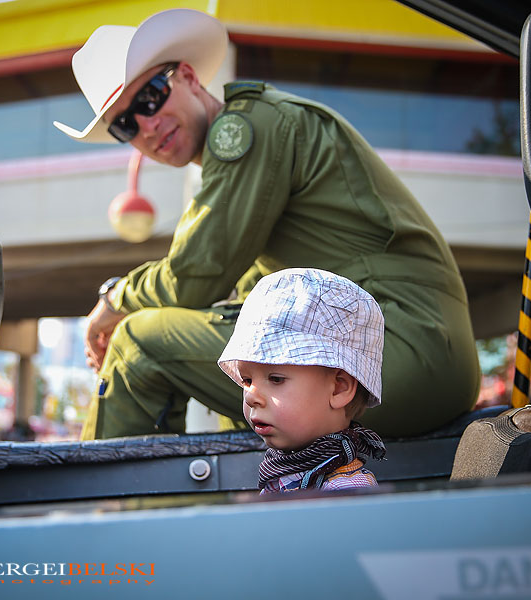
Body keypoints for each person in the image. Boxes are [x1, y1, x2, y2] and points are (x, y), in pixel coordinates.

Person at [55, 8, 480, 440]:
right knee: (243, 346)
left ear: (185, 76)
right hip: (409, 356)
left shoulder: (245, 129)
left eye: (150, 97)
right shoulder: (261, 138)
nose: (147, 126)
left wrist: (114, 301)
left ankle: (115, 507)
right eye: (125, 125)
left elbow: (193, 276)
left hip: (397, 353)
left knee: (137, 343)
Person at [218, 268, 387, 493]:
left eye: (276, 379)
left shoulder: (345, 492)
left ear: (339, 388)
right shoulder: (281, 471)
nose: (251, 396)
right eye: (247, 380)